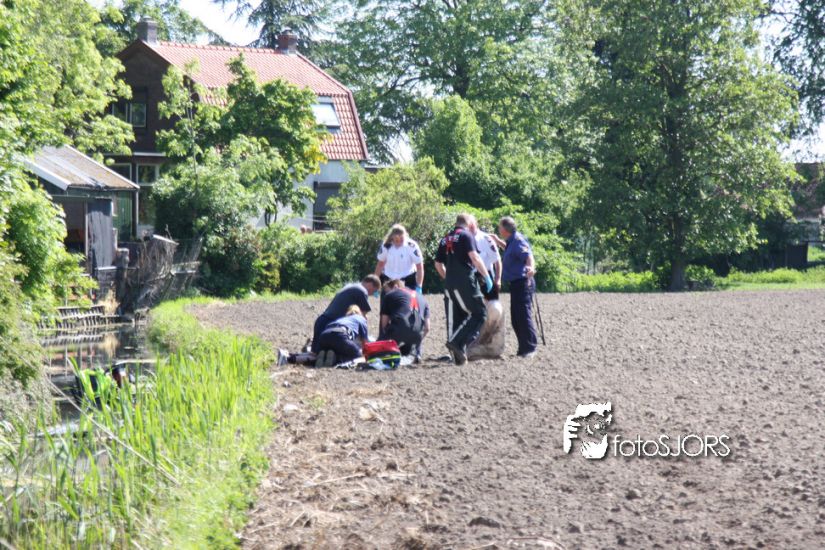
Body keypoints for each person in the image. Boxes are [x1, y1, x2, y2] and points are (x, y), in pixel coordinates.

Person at [434, 213, 492, 365]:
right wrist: (486, 276)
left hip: (449, 283)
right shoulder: (466, 236)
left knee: (456, 318)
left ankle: (458, 357)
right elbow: (475, 257)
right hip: (465, 280)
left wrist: (448, 278)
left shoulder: (445, 238)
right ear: (469, 223)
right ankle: (456, 342)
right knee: (480, 313)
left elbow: (438, 264)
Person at [497, 216, 537, 358]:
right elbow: (511, 251)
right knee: (516, 318)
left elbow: (528, 256)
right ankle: (523, 348)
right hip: (515, 284)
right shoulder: (511, 241)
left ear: (505, 229)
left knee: (523, 316)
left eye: (500, 227)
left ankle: (530, 348)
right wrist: (497, 241)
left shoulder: (518, 240)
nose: (498, 229)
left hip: (523, 282)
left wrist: (531, 268)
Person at [467, 216, 506, 359]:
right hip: (470, 277)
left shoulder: (486, 239)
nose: (470, 227)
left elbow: (497, 261)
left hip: (486, 277)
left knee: (493, 310)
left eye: (472, 224)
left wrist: (498, 279)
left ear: (475, 224)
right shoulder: (464, 239)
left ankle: (493, 342)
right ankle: (472, 344)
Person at [311, 275, 380, 354]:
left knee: (316, 353)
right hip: (335, 328)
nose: (372, 294)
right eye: (374, 291)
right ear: (370, 285)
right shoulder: (362, 291)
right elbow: (362, 316)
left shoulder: (350, 286)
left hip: (322, 322)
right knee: (347, 353)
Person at [379, 278, 430, 360]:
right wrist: (417, 340)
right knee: (411, 342)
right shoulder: (423, 298)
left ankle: (391, 353)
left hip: (398, 329)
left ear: (395, 286)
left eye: (387, 291)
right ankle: (415, 353)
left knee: (379, 347)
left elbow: (384, 324)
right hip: (417, 335)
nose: (387, 293)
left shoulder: (390, 295)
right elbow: (427, 328)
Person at [375, 224, 424, 293]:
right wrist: (375, 284)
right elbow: (380, 265)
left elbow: (419, 267)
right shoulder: (386, 246)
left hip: (408, 281)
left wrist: (419, 286)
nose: (399, 242)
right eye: (396, 240)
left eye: (401, 239)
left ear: (405, 236)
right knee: (387, 300)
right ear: (392, 237)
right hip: (389, 281)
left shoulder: (411, 246)